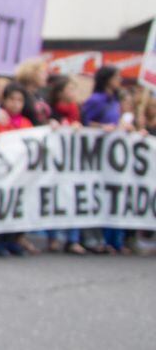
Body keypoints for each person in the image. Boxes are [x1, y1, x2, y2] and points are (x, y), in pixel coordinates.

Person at [80, 66, 129, 254]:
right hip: (95, 155)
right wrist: (102, 126)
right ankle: (90, 238)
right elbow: (86, 122)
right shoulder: (96, 100)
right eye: (117, 77)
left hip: (110, 157)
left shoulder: (114, 99)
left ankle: (107, 238)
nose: (120, 80)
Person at [0, 83, 33, 257]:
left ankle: (13, 239)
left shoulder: (26, 123)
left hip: (20, 172)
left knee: (17, 204)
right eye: (12, 99)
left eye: (19, 100)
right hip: (3, 170)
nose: (15, 104)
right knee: (1, 203)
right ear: (4, 100)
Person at [46, 76, 85, 254]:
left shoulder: (78, 111)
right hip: (56, 163)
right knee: (55, 196)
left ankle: (73, 239)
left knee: (75, 198)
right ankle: (53, 237)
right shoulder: (51, 111)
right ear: (60, 92)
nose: (74, 93)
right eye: (71, 88)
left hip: (74, 163)